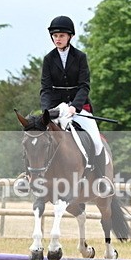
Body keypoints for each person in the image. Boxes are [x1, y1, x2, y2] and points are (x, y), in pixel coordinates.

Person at [39, 15, 105, 177]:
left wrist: (75, 106)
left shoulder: (80, 57)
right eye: (55, 36)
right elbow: (45, 89)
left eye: (61, 35)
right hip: (56, 109)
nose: (57, 39)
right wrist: (46, 111)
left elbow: (84, 86)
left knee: (97, 142)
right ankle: (32, 176)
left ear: (70, 36)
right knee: (37, 140)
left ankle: (101, 179)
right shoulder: (48, 59)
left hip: (79, 107)